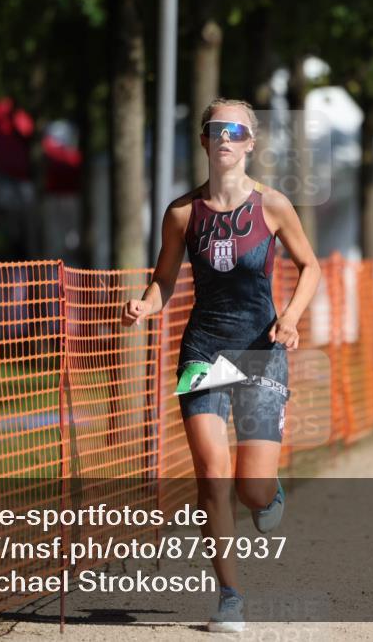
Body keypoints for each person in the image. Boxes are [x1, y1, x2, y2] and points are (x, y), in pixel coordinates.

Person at [120, 98, 321, 632]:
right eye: (216, 129)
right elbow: (164, 278)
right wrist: (145, 304)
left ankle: (267, 492)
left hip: (260, 348)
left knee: (251, 487)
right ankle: (229, 595)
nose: (225, 138)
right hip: (204, 350)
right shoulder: (182, 213)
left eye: (236, 130)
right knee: (211, 472)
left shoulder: (273, 206)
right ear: (205, 141)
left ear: (250, 142)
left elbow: (310, 267)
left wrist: (293, 319)